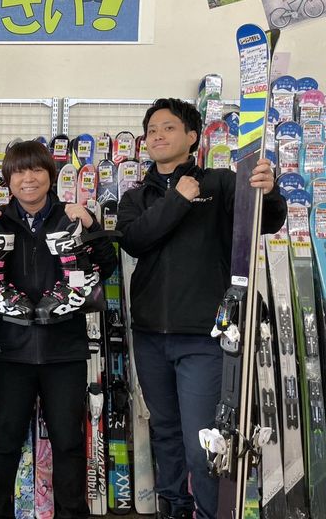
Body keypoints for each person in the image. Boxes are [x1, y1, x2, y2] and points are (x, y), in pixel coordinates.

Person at [116, 98, 286, 519]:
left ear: (192, 137)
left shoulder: (221, 183)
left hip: (204, 338)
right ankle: (174, 508)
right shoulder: (136, 197)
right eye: (151, 130)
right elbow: (135, 241)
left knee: (203, 443)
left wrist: (269, 191)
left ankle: (210, 513)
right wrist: (176, 199)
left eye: (168, 127)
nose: (157, 135)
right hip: (150, 334)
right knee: (165, 434)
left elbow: (265, 221)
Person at [0, 140, 117, 519]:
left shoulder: (69, 217)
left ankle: (72, 513)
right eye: (19, 171)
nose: (28, 178)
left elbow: (106, 267)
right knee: (4, 440)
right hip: (11, 350)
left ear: (50, 176)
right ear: (8, 180)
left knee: (68, 441)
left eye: (36, 169)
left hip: (64, 350)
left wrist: (91, 225)